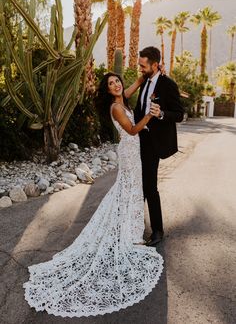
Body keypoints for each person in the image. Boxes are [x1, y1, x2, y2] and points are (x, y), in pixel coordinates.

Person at [23, 72, 164, 318]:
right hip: (130, 150)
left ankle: (131, 231)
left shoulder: (122, 99)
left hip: (133, 152)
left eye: (117, 80)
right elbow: (131, 130)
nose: (117, 85)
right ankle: (129, 235)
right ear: (107, 90)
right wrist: (150, 115)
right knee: (129, 189)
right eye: (111, 84)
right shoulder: (116, 108)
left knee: (131, 191)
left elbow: (129, 90)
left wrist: (142, 79)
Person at [134, 46, 184, 247]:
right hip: (139, 139)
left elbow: (179, 114)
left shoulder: (167, 84)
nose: (141, 68)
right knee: (138, 184)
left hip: (154, 142)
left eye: (143, 66)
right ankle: (135, 223)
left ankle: (157, 230)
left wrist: (161, 114)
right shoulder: (144, 81)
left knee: (149, 186)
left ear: (155, 65)